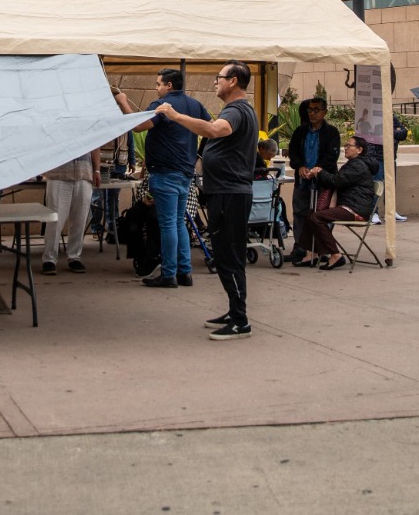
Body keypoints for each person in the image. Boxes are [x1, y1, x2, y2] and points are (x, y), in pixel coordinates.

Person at [157, 61, 258, 340]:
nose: (215, 82)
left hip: (230, 194)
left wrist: (176, 116)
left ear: (234, 81)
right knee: (226, 255)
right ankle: (234, 310)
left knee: (228, 256)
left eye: (219, 77)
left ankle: (240, 321)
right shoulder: (237, 109)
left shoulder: (237, 110)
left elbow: (216, 130)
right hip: (225, 192)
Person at [113, 69, 207, 289]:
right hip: (185, 173)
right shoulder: (195, 104)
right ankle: (185, 272)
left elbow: (138, 127)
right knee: (178, 223)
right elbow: (209, 126)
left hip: (165, 172)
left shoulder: (163, 106)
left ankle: (168, 274)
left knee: (167, 225)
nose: (156, 89)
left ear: (169, 86)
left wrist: (123, 102)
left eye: (158, 84)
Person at [305, 136, 381, 268]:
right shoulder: (355, 163)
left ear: (359, 149)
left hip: (355, 209)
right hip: (350, 205)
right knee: (313, 214)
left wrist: (320, 172)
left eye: (349, 146)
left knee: (316, 217)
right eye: (345, 145)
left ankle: (335, 255)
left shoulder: (358, 165)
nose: (345, 148)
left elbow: (337, 181)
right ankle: (315, 252)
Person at [285, 97, 340, 266]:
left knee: (321, 215)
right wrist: (300, 166)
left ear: (324, 112)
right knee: (300, 213)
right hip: (303, 181)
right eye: (310, 110)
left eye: (316, 110)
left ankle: (321, 249)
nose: (313, 113)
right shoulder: (300, 132)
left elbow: (332, 155)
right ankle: (301, 248)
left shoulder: (331, 132)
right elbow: (293, 152)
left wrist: (318, 169)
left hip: (322, 181)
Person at [41, 147, 100, 276]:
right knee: (54, 219)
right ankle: (49, 259)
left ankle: (74, 257)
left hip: (84, 173)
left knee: (80, 219)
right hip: (58, 173)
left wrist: (96, 169)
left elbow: (95, 145)